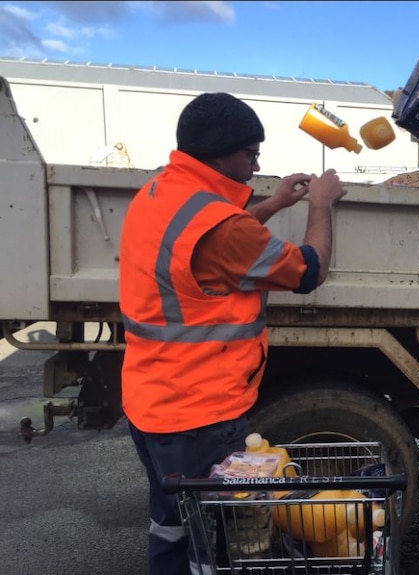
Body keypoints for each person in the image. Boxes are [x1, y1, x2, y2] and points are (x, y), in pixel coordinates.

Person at [118, 92, 346, 575]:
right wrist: (320, 206)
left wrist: (274, 203)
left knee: (172, 521)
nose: (256, 162)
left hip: (151, 401)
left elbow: (220, 245)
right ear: (222, 154)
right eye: (251, 154)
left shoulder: (161, 194)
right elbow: (309, 271)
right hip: (200, 411)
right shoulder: (221, 227)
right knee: (217, 539)